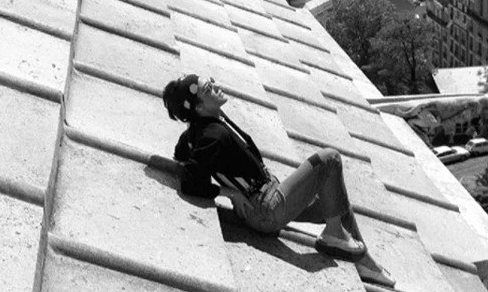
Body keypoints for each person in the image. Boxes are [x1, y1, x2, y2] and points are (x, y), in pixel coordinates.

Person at [163, 74, 396, 289]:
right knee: (329, 159)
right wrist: (230, 193)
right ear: (200, 107)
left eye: (211, 80)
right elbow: (190, 180)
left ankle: (365, 263)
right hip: (266, 209)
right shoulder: (213, 135)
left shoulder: (198, 129)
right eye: (208, 88)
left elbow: (181, 156)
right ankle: (334, 233)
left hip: (268, 200)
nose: (216, 85)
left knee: (336, 199)